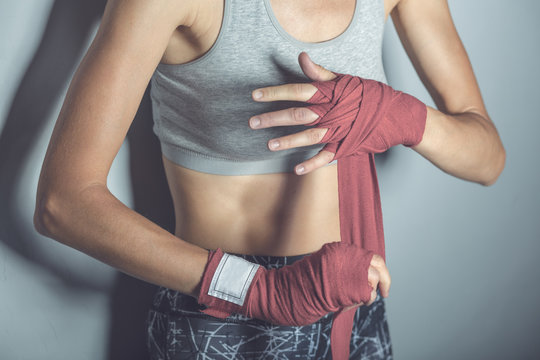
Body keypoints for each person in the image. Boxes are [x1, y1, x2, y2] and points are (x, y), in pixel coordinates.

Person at [33, 0, 505, 359]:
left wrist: (400, 115)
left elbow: (487, 160)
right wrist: (262, 291)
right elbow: (63, 202)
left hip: (347, 295)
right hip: (224, 311)